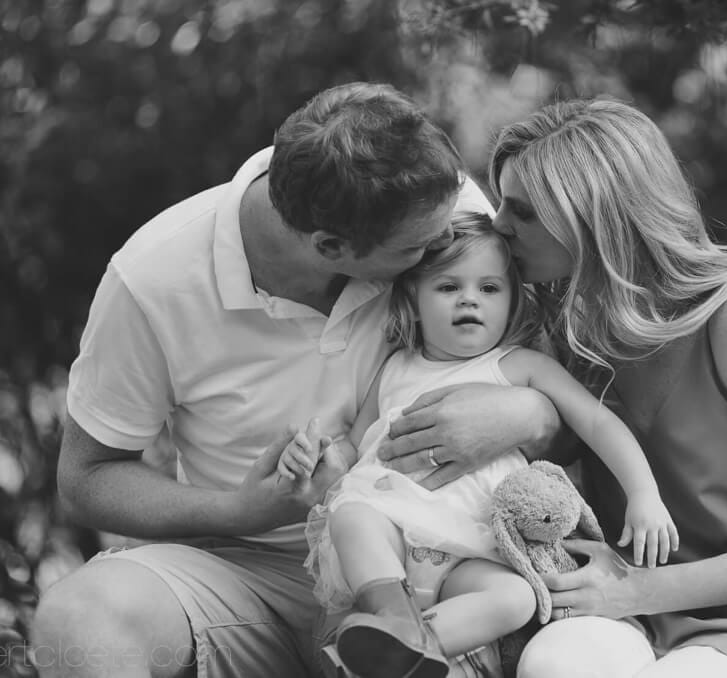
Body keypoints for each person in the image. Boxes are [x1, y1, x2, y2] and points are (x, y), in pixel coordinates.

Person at [29, 83, 560, 678]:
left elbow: (545, 383)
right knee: (77, 621)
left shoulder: (438, 204)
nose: (446, 244)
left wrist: (530, 413)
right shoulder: (153, 280)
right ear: (331, 246)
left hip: (436, 563)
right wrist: (238, 511)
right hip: (246, 574)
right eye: (419, 248)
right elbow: (87, 478)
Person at [481, 98, 727, 678]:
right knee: (553, 664)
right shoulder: (567, 326)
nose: (499, 225)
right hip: (631, 607)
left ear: (595, 218)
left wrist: (635, 590)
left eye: (523, 211)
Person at [278, 213, 679, 678]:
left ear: (512, 303)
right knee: (352, 515)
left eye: (489, 288)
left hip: (471, 549)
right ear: (413, 300)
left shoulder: (520, 366)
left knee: (518, 597)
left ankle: (412, 648)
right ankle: (393, 617)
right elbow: (354, 445)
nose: (469, 298)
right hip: (392, 540)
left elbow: (597, 421)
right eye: (448, 287)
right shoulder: (395, 367)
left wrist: (644, 493)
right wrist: (319, 458)